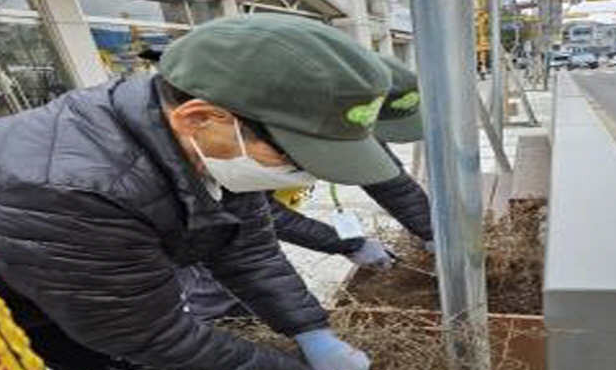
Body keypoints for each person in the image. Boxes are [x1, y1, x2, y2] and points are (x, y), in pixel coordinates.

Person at [0, 14, 401, 370]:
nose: (305, 174)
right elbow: (152, 332)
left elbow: (249, 250)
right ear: (199, 117)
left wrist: (311, 330)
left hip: (64, 280)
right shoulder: (75, 187)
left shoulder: (207, 147)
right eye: (294, 156)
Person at [178, 55, 435, 321]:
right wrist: (347, 243)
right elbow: (259, 222)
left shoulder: (348, 126)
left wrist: (431, 231)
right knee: (219, 293)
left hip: (252, 228)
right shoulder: (234, 153)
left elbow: (389, 182)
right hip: (202, 244)